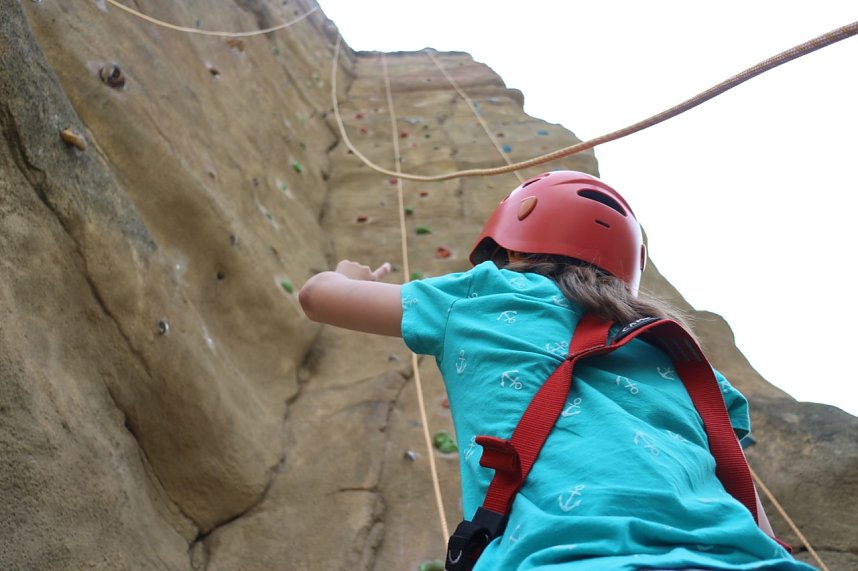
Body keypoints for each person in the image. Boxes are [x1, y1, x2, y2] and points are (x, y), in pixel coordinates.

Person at [299, 170, 815, 570]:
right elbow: (752, 514)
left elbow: (318, 298)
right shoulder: (681, 356)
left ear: (507, 247)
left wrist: (346, 275)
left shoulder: (483, 296)